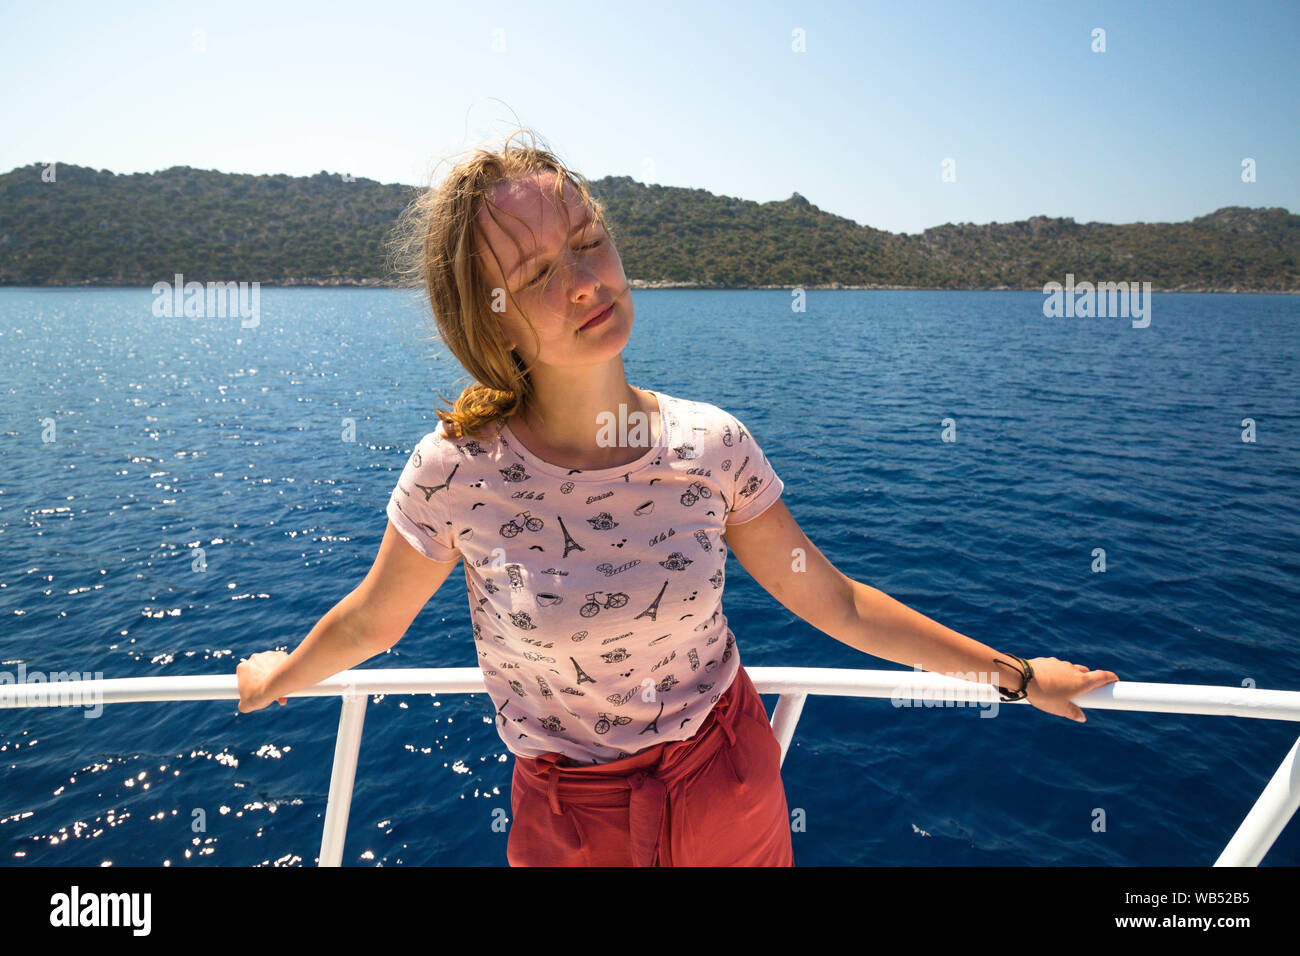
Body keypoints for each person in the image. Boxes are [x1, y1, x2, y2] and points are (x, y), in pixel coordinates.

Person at [235, 127, 1120, 867]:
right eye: (538, 271)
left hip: (729, 780)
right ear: (489, 315)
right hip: (570, 823)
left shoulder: (710, 446)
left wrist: (1014, 676)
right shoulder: (455, 472)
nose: (586, 278)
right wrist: (281, 674)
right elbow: (368, 624)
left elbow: (837, 602)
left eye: (588, 239)